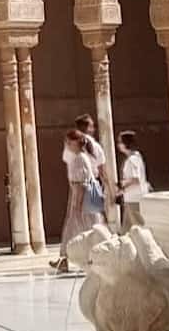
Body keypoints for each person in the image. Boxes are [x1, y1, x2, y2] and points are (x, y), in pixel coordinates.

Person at [54, 116, 107, 271]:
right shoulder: (80, 156)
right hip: (81, 197)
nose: (67, 145)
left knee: (90, 229)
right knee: (76, 228)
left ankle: (98, 258)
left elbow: (82, 184)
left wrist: (77, 204)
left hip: (83, 199)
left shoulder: (80, 158)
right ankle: (64, 259)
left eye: (69, 143)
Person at [116, 129, 149, 228]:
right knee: (127, 229)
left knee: (138, 226)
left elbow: (136, 179)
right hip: (130, 197)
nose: (119, 145)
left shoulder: (133, 159)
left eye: (120, 142)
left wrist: (122, 184)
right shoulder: (134, 157)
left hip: (134, 198)